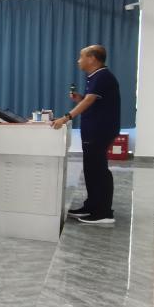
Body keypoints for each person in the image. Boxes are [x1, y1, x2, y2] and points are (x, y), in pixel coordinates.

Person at [53, 44, 121, 225]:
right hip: (95, 129)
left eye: (81, 56)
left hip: (100, 130)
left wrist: (66, 117)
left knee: (98, 169)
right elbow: (94, 101)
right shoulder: (95, 76)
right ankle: (92, 206)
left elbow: (90, 100)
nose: (78, 61)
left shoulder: (102, 76)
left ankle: (104, 212)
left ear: (92, 58)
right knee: (91, 169)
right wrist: (81, 98)